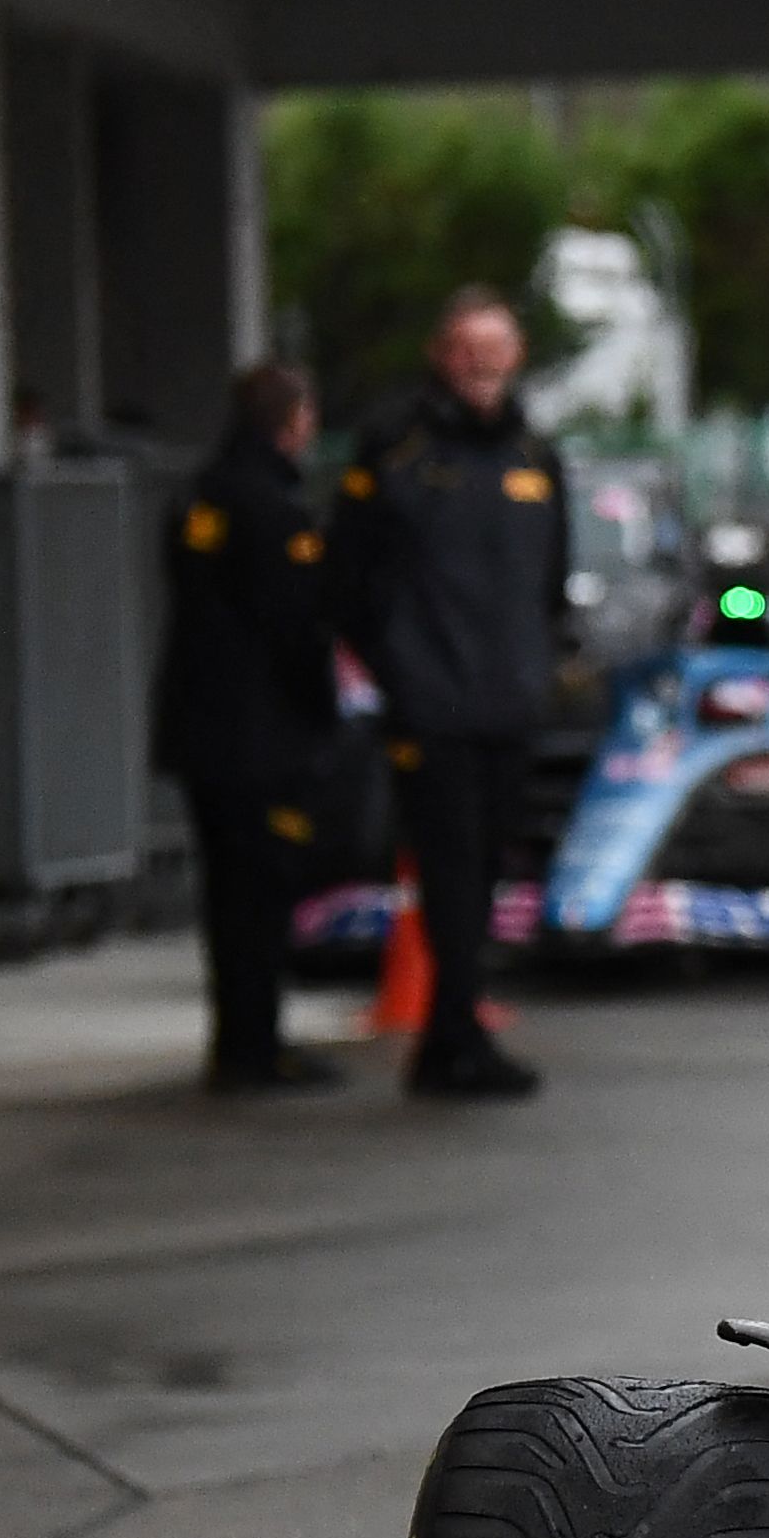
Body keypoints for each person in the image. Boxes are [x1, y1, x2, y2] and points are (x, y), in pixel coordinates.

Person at [328, 289, 569, 1100]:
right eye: (468, 348)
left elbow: (551, 582)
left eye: (496, 348)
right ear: (441, 354)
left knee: (488, 867)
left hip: (508, 700)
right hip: (431, 703)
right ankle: (450, 1034)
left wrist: (538, 667)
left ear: (518, 356)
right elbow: (348, 576)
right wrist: (399, 669)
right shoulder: (395, 446)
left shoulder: (536, 454)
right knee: (447, 870)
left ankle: (454, 1031)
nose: (482, 364)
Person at [156, 363, 343, 1093]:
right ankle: (256, 1046)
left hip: (202, 727)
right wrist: (321, 714)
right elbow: (295, 625)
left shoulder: (199, 494)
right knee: (262, 894)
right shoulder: (274, 505)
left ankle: (236, 1039)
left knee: (226, 893)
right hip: (262, 734)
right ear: (293, 422)